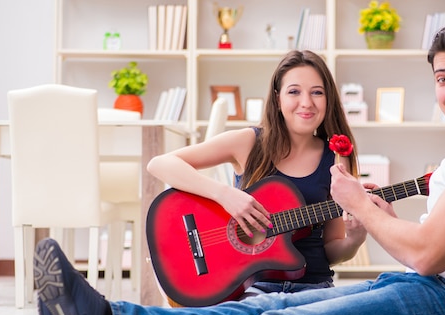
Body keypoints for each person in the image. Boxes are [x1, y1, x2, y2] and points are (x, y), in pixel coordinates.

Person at [36, 22, 445, 315]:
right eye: (443, 79)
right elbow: (425, 248)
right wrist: (374, 218)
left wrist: (359, 211)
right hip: (434, 295)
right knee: (259, 312)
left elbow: (426, 252)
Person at [147, 49, 365, 297]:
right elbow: (160, 163)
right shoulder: (248, 142)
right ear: (277, 98)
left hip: (313, 289)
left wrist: (354, 240)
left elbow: (330, 250)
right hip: (254, 288)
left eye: (317, 92)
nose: (307, 102)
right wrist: (225, 195)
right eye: (294, 91)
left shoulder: (336, 158)